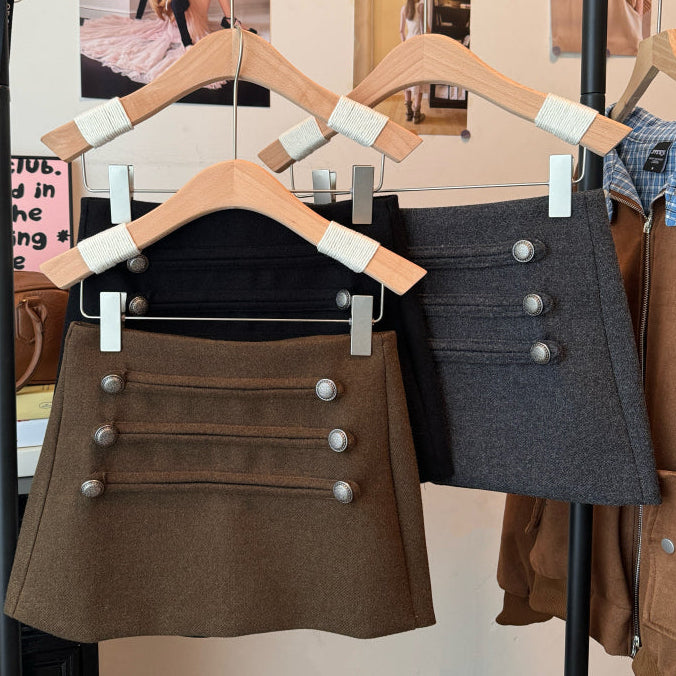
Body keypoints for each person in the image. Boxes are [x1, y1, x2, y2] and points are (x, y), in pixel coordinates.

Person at [399, 0, 425, 124]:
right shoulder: (421, 7)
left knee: (408, 79)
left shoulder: (404, 8)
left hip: (408, 45)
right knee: (420, 79)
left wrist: (404, 44)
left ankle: (408, 112)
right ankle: (417, 113)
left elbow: (401, 30)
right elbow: (425, 29)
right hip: (419, 44)